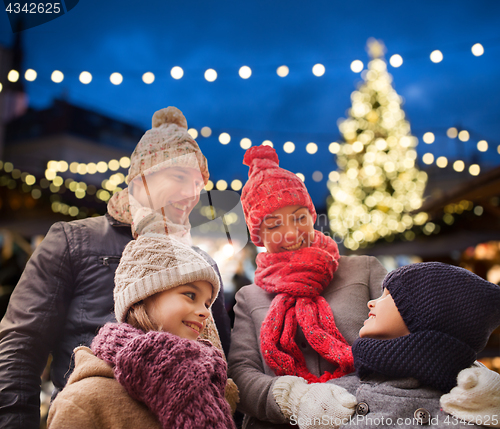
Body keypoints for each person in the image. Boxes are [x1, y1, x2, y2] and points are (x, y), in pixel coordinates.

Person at [0, 106, 231, 429]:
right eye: (178, 176)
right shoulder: (73, 241)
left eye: (198, 182)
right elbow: (19, 351)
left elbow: (224, 364)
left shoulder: (202, 264)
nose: (192, 192)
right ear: (140, 181)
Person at [227, 145, 388, 428]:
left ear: (312, 217)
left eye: (299, 218)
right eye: (274, 225)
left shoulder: (364, 269)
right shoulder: (249, 297)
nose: (291, 233)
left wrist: (352, 395)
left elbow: (405, 335)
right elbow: (241, 373)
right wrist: (295, 400)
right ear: (259, 235)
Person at [272, 262, 500, 428]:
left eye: (388, 295)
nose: (372, 302)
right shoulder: (336, 398)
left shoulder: (473, 408)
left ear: (428, 315)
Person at [47, 233, 238, 429]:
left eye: (207, 303)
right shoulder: (83, 401)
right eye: (190, 295)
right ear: (143, 296)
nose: (206, 312)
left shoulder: (210, 383)